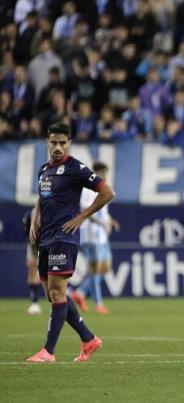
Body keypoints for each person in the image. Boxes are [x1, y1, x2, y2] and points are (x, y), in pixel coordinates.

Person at [26, 122, 115, 363]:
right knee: (53, 295)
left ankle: (48, 351)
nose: (57, 147)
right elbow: (42, 197)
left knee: (57, 292)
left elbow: (107, 192)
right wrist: (36, 218)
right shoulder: (44, 170)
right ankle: (89, 339)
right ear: (47, 142)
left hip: (64, 237)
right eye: (53, 142)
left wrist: (82, 217)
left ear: (69, 144)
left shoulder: (76, 168)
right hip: (45, 237)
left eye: (62, 143)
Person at [71, 162, 118, 315]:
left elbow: (102, 210)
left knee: (105, 267)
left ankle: (80, 292)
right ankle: (98, 303)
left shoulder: (102, 188)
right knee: (95, 269)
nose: (106, 176)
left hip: (101, 235)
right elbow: (86, 210)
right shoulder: (88, 189)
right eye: (104, 172)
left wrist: (110, 221)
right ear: (97, 172)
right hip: (91, 235)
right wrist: (102, 223)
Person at [22, 208, 43, 315]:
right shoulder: (29, 217)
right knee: (32, 267)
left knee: (54, 274)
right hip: (34, 244)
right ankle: (35, 303)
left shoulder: (51, 215)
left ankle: (62, 301)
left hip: (50, 244)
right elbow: (29, 237)